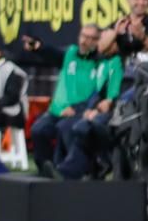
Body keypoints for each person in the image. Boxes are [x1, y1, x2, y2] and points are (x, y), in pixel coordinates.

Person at [24, 24, 122, 180]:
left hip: (80, 109)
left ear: (98, 41)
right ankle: (46, 170)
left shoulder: (102, 63)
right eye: (83, 36)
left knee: (66, 128)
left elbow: (105, 91)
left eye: (90, 38)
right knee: (38, 130)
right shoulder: (70, 54)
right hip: (59, 109)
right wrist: (38, 47)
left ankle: (72, 172)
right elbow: (52, 53)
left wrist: (89, 107)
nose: (84, 41)